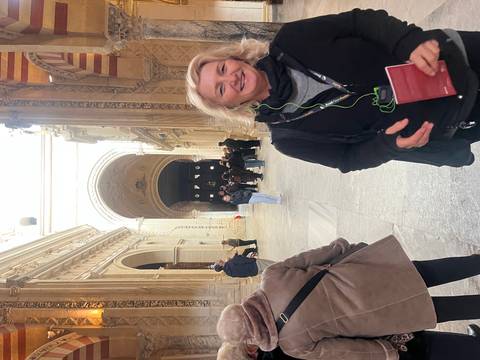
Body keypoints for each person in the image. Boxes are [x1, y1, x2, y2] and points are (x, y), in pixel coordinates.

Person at [187, 8, 480, 173]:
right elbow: (347, 158)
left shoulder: (292, 39)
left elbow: (360, 22)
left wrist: (408, 42)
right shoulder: (289, 138)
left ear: (232, 58)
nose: (232, 79)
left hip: (453, 55)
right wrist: (391, 147)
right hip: (453, 117)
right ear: (229, 106)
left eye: (223, 69)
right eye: (221, 89)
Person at [216, 236, 480, 359]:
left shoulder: (291, 345)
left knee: (441, 309)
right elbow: (320, 254)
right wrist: (351, 249)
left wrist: (386, 352)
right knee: (431, 270)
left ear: (248, 338)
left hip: (375, 314)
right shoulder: (271, 276)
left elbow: (346, 350)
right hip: (364, 276)